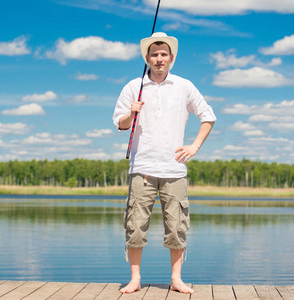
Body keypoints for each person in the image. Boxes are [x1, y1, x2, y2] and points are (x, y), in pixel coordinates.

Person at [112, 32, 216, 294]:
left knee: (177, 227)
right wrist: (130, 113)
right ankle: (135, 280)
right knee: (135, 226)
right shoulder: (133, 87)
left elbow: (208, 116)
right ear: (147, 58)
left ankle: (176, 279)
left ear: (171, 58)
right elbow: (120, 125)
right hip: (142, 169)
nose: (159, 59)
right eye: (154, 54)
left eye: (163, 54)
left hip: (174, 170)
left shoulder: (184, 86)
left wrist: (194, 146)